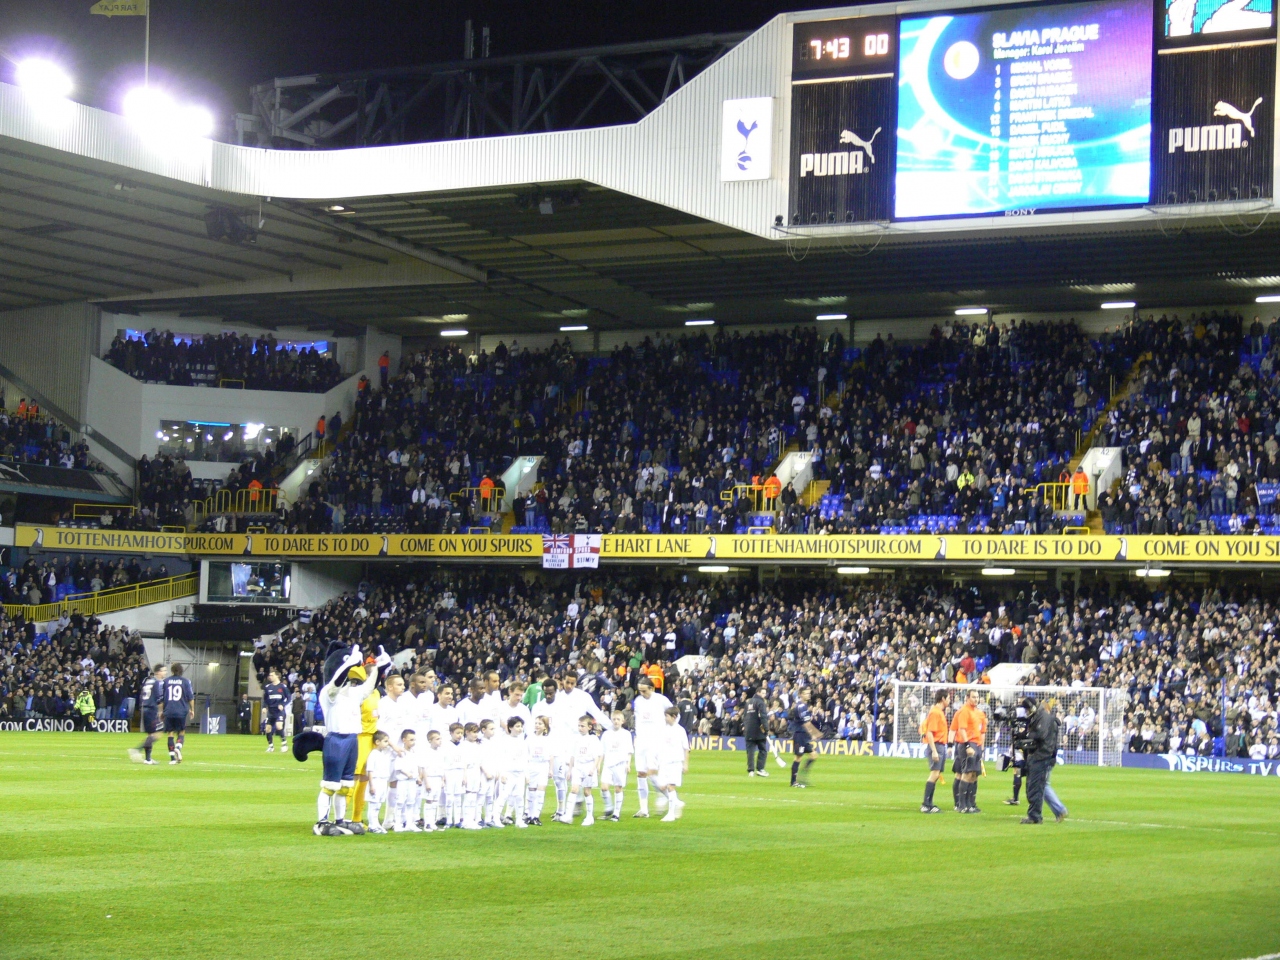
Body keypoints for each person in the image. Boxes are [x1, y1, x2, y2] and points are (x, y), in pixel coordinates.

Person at [314, 645, 385, 836]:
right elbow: (336, 682)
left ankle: (339, 820)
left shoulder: (353, 693)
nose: (352, 680)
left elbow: (370, 686)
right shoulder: (329, 692)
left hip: (352, 739)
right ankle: (321, 822)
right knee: (330, 785)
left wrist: (381, 667)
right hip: (336, 740)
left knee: (346, 785)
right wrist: (349, 663)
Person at [631, 676, 673, 817]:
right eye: (640, 691)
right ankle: (644, 809)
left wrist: (670, 730)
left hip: (656, 740)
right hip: (641, 741)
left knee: (651, 773)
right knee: (641, 774)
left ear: (652, 688)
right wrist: (636, 735)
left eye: (644, 691)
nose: (642, 694)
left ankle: (672, 798)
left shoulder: (661, 700)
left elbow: (674, 714)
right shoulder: (637, 701)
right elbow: (637, 720)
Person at [1021, 697, 1060, 825]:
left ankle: (1035, 816)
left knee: (1036, 787)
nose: (1026, 712)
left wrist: (1026, 735)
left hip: (1041, 756)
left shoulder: (1043, 718)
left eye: (1027, 709)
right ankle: (1036, 814)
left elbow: (1040, 735)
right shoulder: (1039, 717)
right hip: (1040, 756)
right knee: (1036, 786)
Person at [560, 715, 603, 826]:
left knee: (587, 791)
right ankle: (568, 815)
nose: (580, 728)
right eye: (579, 726)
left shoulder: (593, 739)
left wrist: (594, 768)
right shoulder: (576, 739)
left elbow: (597, 755)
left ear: (589, 727)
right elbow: (573, 756)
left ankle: (589, 817)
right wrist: (570, 770)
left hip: (588, 766)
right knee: (574, 789)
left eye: (582, 726)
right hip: (578, 767)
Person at [953, 690, 988, 813]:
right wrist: (967, 745)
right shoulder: (964, 711)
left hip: (977, 745)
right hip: (968, 744)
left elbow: (982, 731)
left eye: (977, 697)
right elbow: (961, 729)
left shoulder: (978, 713)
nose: (976, 699)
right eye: (973, 697)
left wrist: (981, 748)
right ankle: (961, 805)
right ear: (967, 698)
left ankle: (970, 804)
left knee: (974, 775)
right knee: (966, 773)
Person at [656, 706, 690, 821]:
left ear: (674, 717)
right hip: (664, 762)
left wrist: (685, 764)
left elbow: (686, 748)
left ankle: (670, 814)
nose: (665, 718)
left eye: (667, 716)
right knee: (661, 786)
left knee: (671, 786)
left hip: (675, 762)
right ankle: (678, 803)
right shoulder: (663, 730)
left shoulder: (680, 730)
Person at [919, 690, 950, 813]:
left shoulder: (939, 712)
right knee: (934, 774)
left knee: (936, 774)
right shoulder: (935, 712)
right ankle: (926, 804)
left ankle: (929, 803)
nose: (949, 700)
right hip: (936, 745)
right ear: (942, 698)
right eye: (948, 698)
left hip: (940, 745)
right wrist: (934, 751)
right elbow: (930, 732)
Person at [129, 664, 166, 764]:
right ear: (158, 672)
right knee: (158, 733)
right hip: (152, 710)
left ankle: (148, 759)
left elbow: (142, 695)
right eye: (163, 671)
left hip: (145, 708)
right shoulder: (158, 683)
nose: (165, 672)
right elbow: (159, 699)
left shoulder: (148, 681)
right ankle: (137, 749)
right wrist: (161, 712)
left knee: (150, 734)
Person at [600, 710, 633, 820]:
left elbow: (629, 750)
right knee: (604, 787)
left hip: (620, 764)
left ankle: (616, 813)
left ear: (622, 721)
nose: (616, 721)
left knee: (618, 788)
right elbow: (602, 751)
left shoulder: (626, 734)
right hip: (608, 763)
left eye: (618, 719)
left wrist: (628, 764)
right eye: (614, 719)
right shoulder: (606, 734)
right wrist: (599, 764)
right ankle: (609, 807)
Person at [161, 663, 194, 765]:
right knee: (181, 732)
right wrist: (192, 709)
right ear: (181, 671)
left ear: (172, 671)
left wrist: (162, 711)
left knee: (170, 733)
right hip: (181, 711)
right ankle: (178, 747)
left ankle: (172, 759)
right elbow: (190, 697)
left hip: (169, 710)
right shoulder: (185, 682)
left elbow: (163, 698)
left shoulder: (165, 681)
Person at [788, 687, 821, 788]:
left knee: (814, 755)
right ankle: (793, 782)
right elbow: (806, 723)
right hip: (799, 735)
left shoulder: (804, 706)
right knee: (798, 757)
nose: (808, 695)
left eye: (809, 693)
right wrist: (815, 733)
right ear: (801, 695)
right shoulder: (801, 706)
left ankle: (801, 777)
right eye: (806, 693)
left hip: (804, 735)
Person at [524, 716, 553, 826]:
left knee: (540, 791)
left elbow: (551, 756)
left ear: (545, 726)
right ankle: (530, 815)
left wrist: (550, 769)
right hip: (532, 765)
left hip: (543, 766)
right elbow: (525, 753)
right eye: (536, 723)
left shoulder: (547, 740)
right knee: (531, 792)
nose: (537, 725)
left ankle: (536, 816)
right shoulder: (529, 738)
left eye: (540, 723)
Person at [364, 730, 394, 834]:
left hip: (383, 781)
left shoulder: (384, 754)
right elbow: (370, 770)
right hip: (376, 781)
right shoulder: (373, 754)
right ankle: (372, 825)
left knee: (378, 804)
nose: (387, 744)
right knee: (373, 804)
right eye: (385, 741)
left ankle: (376, 823)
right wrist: (372, 785)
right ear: (377, 742)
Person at [743, 685, 770, 777]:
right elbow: (763, 717)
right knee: (763, 750)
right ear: (758, 693)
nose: (764, 695)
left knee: (750, 751)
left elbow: (745, 717)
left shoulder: (748, 702)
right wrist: (766, 729)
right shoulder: (760, 702)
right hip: (758, 731)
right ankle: (760, 769)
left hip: (748, 730)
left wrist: (745, 727)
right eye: (763, 693)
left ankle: (751, 771)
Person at [262, 670, 289, 752]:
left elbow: (289, 698)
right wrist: (264, 707)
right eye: (270, 675)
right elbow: (265, 699)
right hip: (271, 711)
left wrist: (283, 705)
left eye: (272, 675)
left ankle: (284, 743)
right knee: (267, 729)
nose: (270, 677)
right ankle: (271, 746)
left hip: (279, 711)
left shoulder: (282, 687)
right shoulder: (268, 687)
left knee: (278, 726)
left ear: (277, 676)